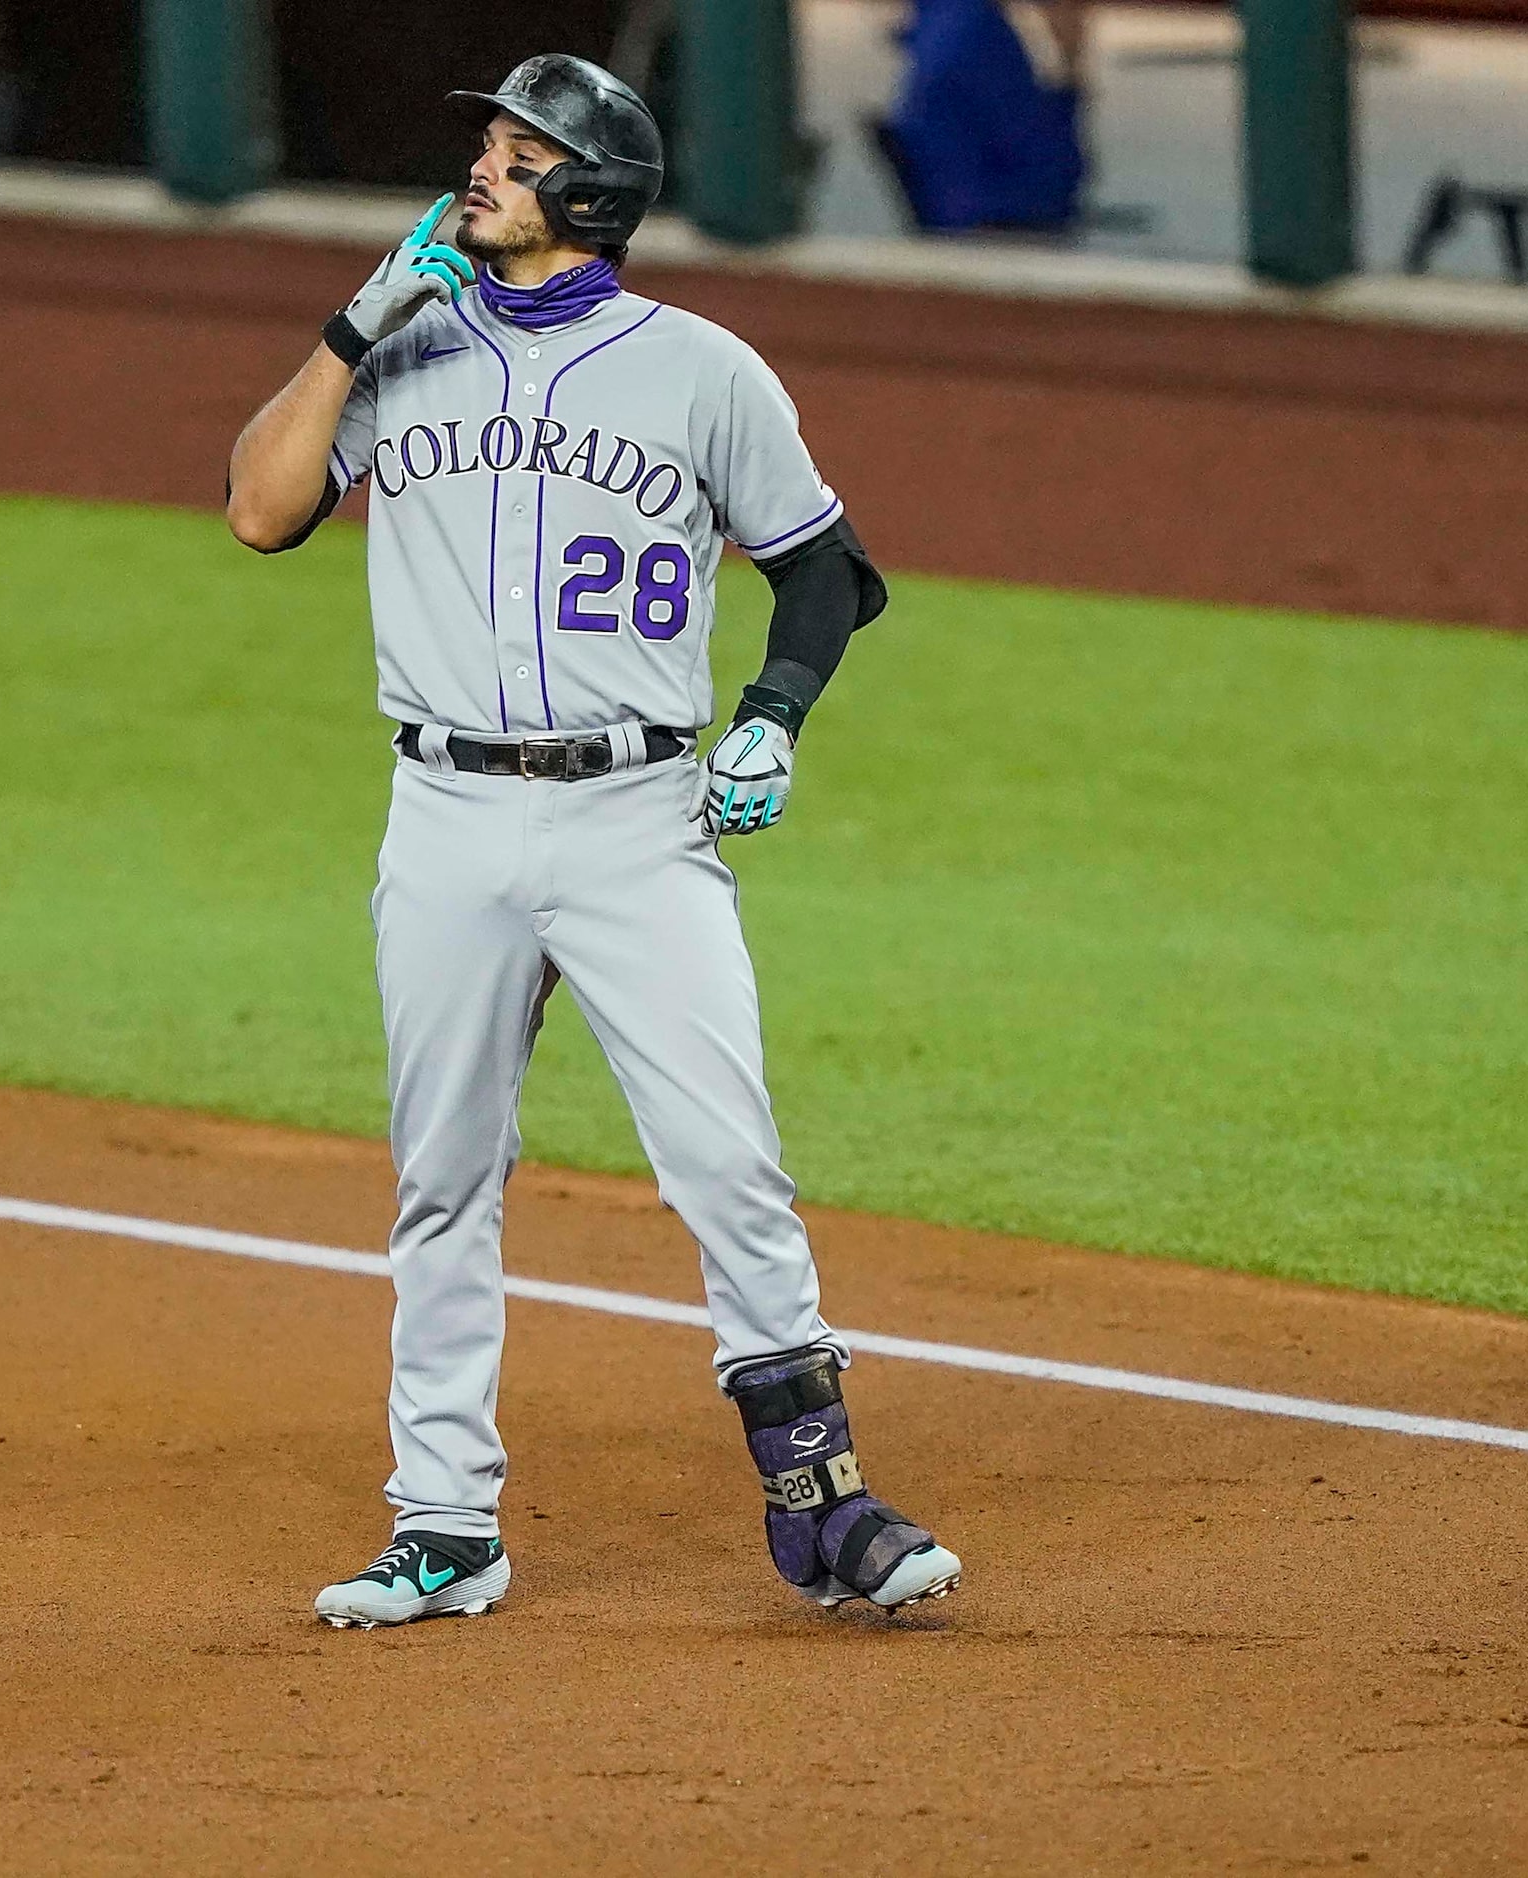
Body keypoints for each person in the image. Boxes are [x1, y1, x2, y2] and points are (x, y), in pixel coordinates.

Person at [222, 53, 964, 1629]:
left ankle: (821, 1507)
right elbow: (261, 510)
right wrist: (355, 329)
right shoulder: (401, 350)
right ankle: (443, 1524)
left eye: (517, 150)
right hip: (445, 813)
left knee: (728, 1163)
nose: (481, 168)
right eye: (488, 142)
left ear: (593, 194)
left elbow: (829, 573)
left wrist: (773, 709)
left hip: (640, 816)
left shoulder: (702, 370)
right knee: (442, 1178)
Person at [882, 0, 1088, 232]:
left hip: (955, 213)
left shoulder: (938, 25)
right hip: (1000, 224)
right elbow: (1054, 173)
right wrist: (1070, 66)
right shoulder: (980, 39)